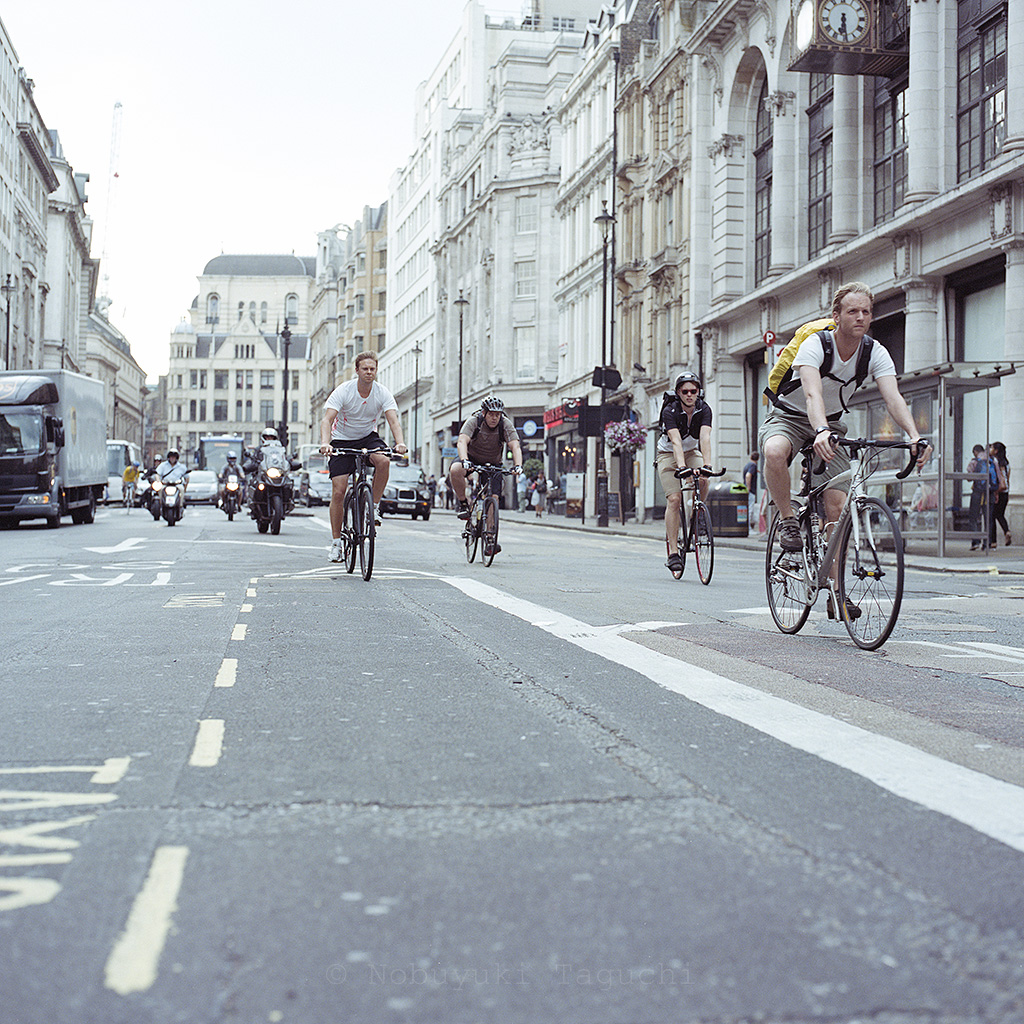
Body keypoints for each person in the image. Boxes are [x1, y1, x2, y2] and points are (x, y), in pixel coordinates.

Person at [759, 282, 930, 612]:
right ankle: (788, 519)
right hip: (791, 417)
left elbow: (893, 397)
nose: (861, 317)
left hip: (832, 425)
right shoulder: (815, 345)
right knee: (774, 452)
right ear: (836, 316)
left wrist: (913, 435)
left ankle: (837, 594)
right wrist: (819, 429)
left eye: (866, 311)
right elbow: (812, 395)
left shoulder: (874, 352)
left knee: (837, 509)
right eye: (853, 311)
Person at [319, 351, 408, 562]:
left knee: (384, 460)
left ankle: (374, 507)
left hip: (368, 438)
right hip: (341, 440)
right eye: (365, 369)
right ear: (357, 370)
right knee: (339, 490)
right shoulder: (344, 390)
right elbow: (326, 420)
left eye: (372, 369)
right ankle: (336, 543)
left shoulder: (382, 392)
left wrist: (400, 443)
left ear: (376, 371)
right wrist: (325, 443)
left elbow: (393, 421)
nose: (369, 372)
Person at [657, 371, 713, 578]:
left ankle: (696, 516)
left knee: (705, 479)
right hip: (668, 454)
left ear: (698, 392)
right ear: (678, 393)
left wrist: (707, 464)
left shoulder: (704, 409)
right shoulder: (670, 411)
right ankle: (673, 552)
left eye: (694, 391)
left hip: (692, 452)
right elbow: (675, 442)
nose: (690, 395)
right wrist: (681, 467)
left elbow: (705, 437)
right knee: (674, 499)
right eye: (685, 391)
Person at [450, 396, 523, 556]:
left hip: (493, 463)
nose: (494, 418)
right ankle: (463, 504)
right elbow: (462, 441)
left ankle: (490, 538)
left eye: (497, 415)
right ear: (484, 413)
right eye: (491, 414)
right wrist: (465, 460)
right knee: (455, 470)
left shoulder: (505, 424)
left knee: (494, 499)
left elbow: (515, 445)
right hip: (472, 459)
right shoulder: (474, 421)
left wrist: (518, 465)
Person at [966, 444, 990, 550]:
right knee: (987, 518)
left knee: (973, 518)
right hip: (989, 492)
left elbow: (969, 478)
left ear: (975, 451)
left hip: (977, 492)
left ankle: (975, 542)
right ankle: (987, 544)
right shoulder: (991, 460)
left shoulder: (974, 461)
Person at [989, 440, 1011, 547]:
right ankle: (1007, 531)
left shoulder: (995, 462)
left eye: (992, 448)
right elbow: (1007, 479)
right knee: (1000, 514)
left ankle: (993, 541)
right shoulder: (1007, 464)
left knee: (993, 515)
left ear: (996, 451)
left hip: (998, 491)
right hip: (1005, 492)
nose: (990, 450)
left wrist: (995, 490)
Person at [743, 451, 758, 535]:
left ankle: (748, 527)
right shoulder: (753, 465)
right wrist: (748, 487)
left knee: (748, 509)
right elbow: (748, 475)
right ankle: (748, 528)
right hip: (750, 490)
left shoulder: (748, 465)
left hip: (747, 490)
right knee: (750, 509)